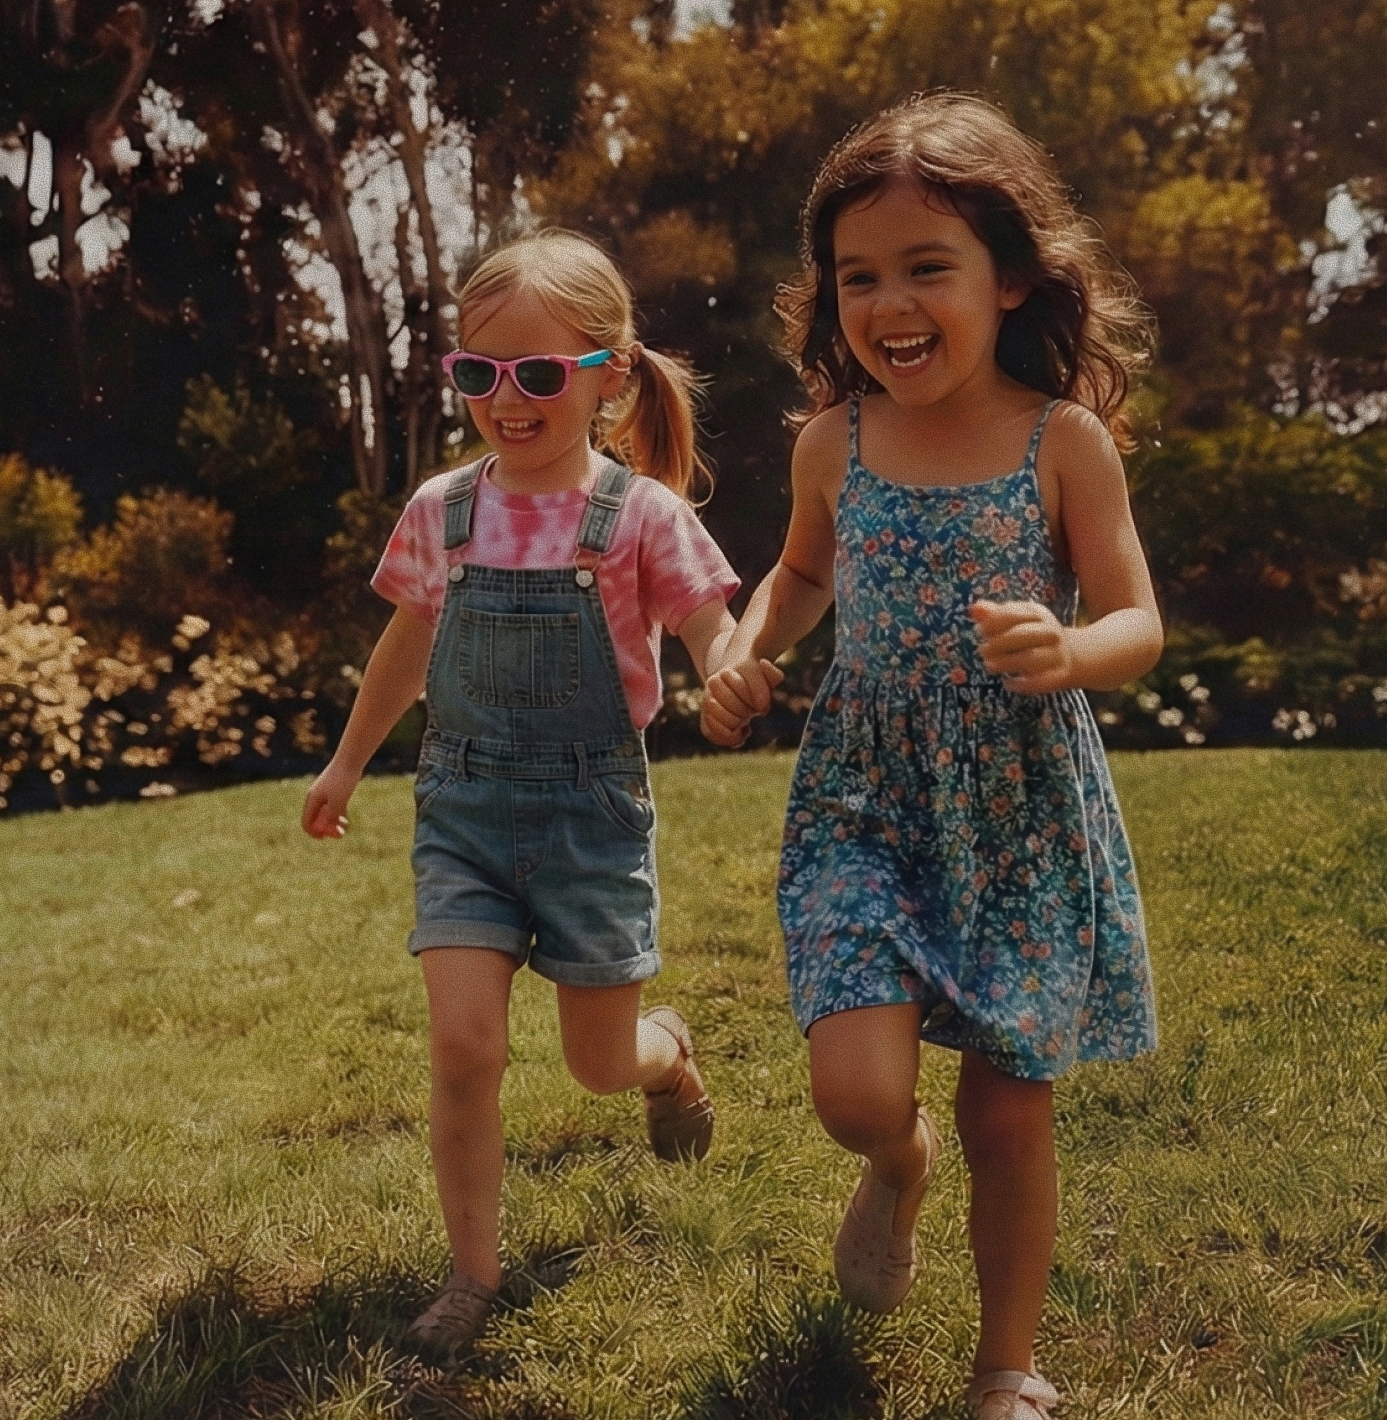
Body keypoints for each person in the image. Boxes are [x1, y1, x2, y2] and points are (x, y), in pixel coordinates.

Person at [701, 93, 1164, 1420]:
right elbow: (797, 573)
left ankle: (1006, 1369)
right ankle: (893, 1166)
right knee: (857, 1094)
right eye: (859, 277)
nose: (889, 303)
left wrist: (1073, 650)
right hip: (865, 794)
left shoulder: (1059, 443)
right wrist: (746, 649)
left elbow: (1136, 616)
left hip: (1018, 807)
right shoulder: (831, 442)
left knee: (1010, 1113)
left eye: (926, 267)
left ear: (1010, 277)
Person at [301, 229, 743, 1360]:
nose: (509, 397)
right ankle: (472, 1274)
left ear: (606, 376)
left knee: (597, 1065)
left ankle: (665, 1053)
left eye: (540, 373)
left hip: (592, 816)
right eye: (480, 371)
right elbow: (408, 642)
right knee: (465, 1044)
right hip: (464, 812)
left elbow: (704, 616)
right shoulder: (444, 508)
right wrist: (348, 761)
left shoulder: (639, 513)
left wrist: (728, 667)